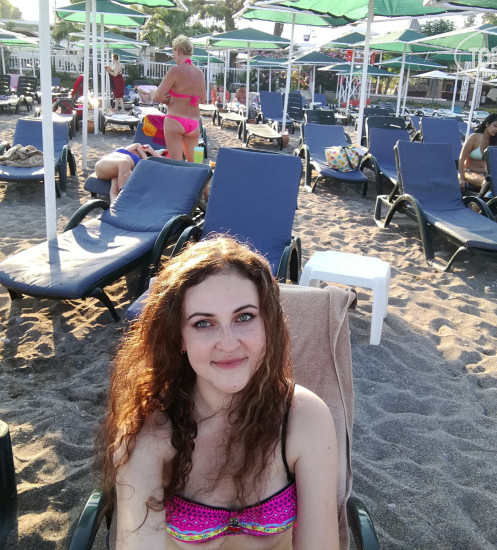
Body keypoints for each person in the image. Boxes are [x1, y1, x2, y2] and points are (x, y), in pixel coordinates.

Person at [98, 236, 339, 548]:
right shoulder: (149, 431)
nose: (227, 343)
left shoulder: (304, 418)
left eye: (244, 317)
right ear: (179, 338)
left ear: (267, 323)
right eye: (203, 323)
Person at [154, 36, 206, 162]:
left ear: (177, 50)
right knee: (196, 163)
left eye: (173, 52)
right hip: (194, 123)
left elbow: (157, 96)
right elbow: (203, 99)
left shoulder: (175, 71)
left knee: (175, 163)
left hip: (175, 120)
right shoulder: (199, 72)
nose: (174, 56)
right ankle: (201, 175)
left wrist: (168, 101)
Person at [94, 143, 163, 202]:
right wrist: (139, 148)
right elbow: (137, 144)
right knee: (124, 162)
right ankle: (124, 198)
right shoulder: (124, 151)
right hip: (103, 165)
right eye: (135, 150)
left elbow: (160, 161)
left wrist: (148, 150)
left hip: (116, 170)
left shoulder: (141, 161)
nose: (135, 151)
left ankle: (115, 208)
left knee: (114, 191)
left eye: (138, 152)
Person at [458, 113, 497, 191]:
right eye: (495, 126)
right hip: (468, 172)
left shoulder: (495, 141)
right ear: (487, 124)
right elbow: (461, 159)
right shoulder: (474, 138)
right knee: (486, 182)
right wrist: (462, 178)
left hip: (485, 173)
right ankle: (480, 199)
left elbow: (495, 162)